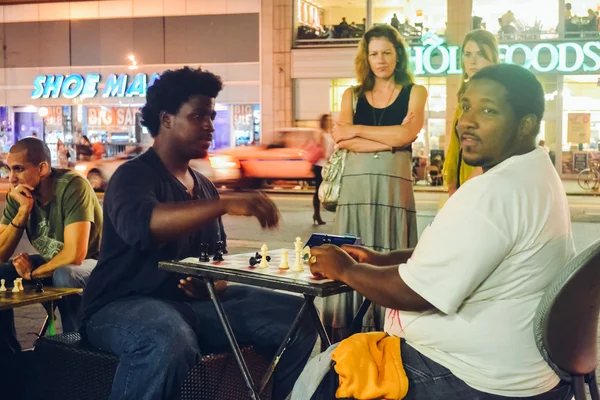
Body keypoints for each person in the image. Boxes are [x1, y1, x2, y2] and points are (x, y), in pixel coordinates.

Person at [293, 64, 575, 400]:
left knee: (333, 374)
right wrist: (382, 260)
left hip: (474, 377)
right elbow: (468, 254)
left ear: (526, 124)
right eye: (466, 106)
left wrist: (346, 270)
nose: (466, 121)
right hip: (522, 367)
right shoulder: (536, 173)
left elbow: (415, 293)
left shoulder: (493, 192)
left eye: (488, 110)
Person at [80, 67, 317, 400]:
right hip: (121, 306)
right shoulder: (132, 177)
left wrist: (211, 285)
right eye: (198, 116)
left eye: (212, 116)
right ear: (166, 119)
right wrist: (225, 204)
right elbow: (145, 225)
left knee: (296, 316)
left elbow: (214, 264)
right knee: (167, 338)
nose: (209, 124)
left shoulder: (204, 186)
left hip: (192, 309)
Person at [322, 24, 427, 341]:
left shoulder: (416, 91)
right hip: (356, 185)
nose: (380, 60)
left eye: (386, 53)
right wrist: (389, 139)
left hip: (394, 186)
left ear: (399, 56)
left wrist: (358, 131)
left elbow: (407, 135)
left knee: (391, 250)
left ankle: (389, 332)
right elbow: (342, 139)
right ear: (365, 58)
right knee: (355, 250)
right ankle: (349, 335)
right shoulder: (350, 95)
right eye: (373, 53)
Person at [0, 138, 102, 367]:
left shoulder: (73, 185)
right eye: (9, 169)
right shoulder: (19, 196)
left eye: (19, 169)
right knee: (1, 273)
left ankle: (79, 356)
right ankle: (9, 361)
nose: (12, 178)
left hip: (95, 263)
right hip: (54, 263)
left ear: (43, 168)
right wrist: (22, 213)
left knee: (65, 274)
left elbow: (76, 254)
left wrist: (33, 274)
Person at [444, 29, 499, 197]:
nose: (473, 61)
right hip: (463, 181)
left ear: (493, 58)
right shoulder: (464, 97)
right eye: (467, 54)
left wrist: (465, 192)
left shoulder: (499, 95)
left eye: (480, 54)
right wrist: (453, 184)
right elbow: (455, 145)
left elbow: (495, 149)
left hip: (487, 183)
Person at [310, 114, 335, 226]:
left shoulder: (329, 133)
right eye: (328, 120)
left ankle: (318, 215)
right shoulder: (321, 133)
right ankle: (317, 214)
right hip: (320, 165)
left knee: (327, 190)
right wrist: (326, 154)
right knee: (319, 191)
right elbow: (320, 148)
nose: (329, 122)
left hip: (327, 165)